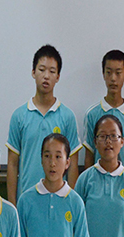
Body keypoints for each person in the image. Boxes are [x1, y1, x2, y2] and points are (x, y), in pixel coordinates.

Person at [7, 44, 82, 206]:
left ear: (58, 76)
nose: (46, 76)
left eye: (52, 71)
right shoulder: (19, 116)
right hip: (27, 201)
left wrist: (71, 202)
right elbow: (12, 164)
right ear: (33, 72)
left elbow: (72, 165)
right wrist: (13, 206)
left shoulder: (67, 117)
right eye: (42, 70)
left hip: (59, 202)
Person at [83, 50, 124, 169]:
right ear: (103, 74)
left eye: (118, 73)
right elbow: (89, 156)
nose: (113, 78)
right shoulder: (92, 114)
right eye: (109, 73)